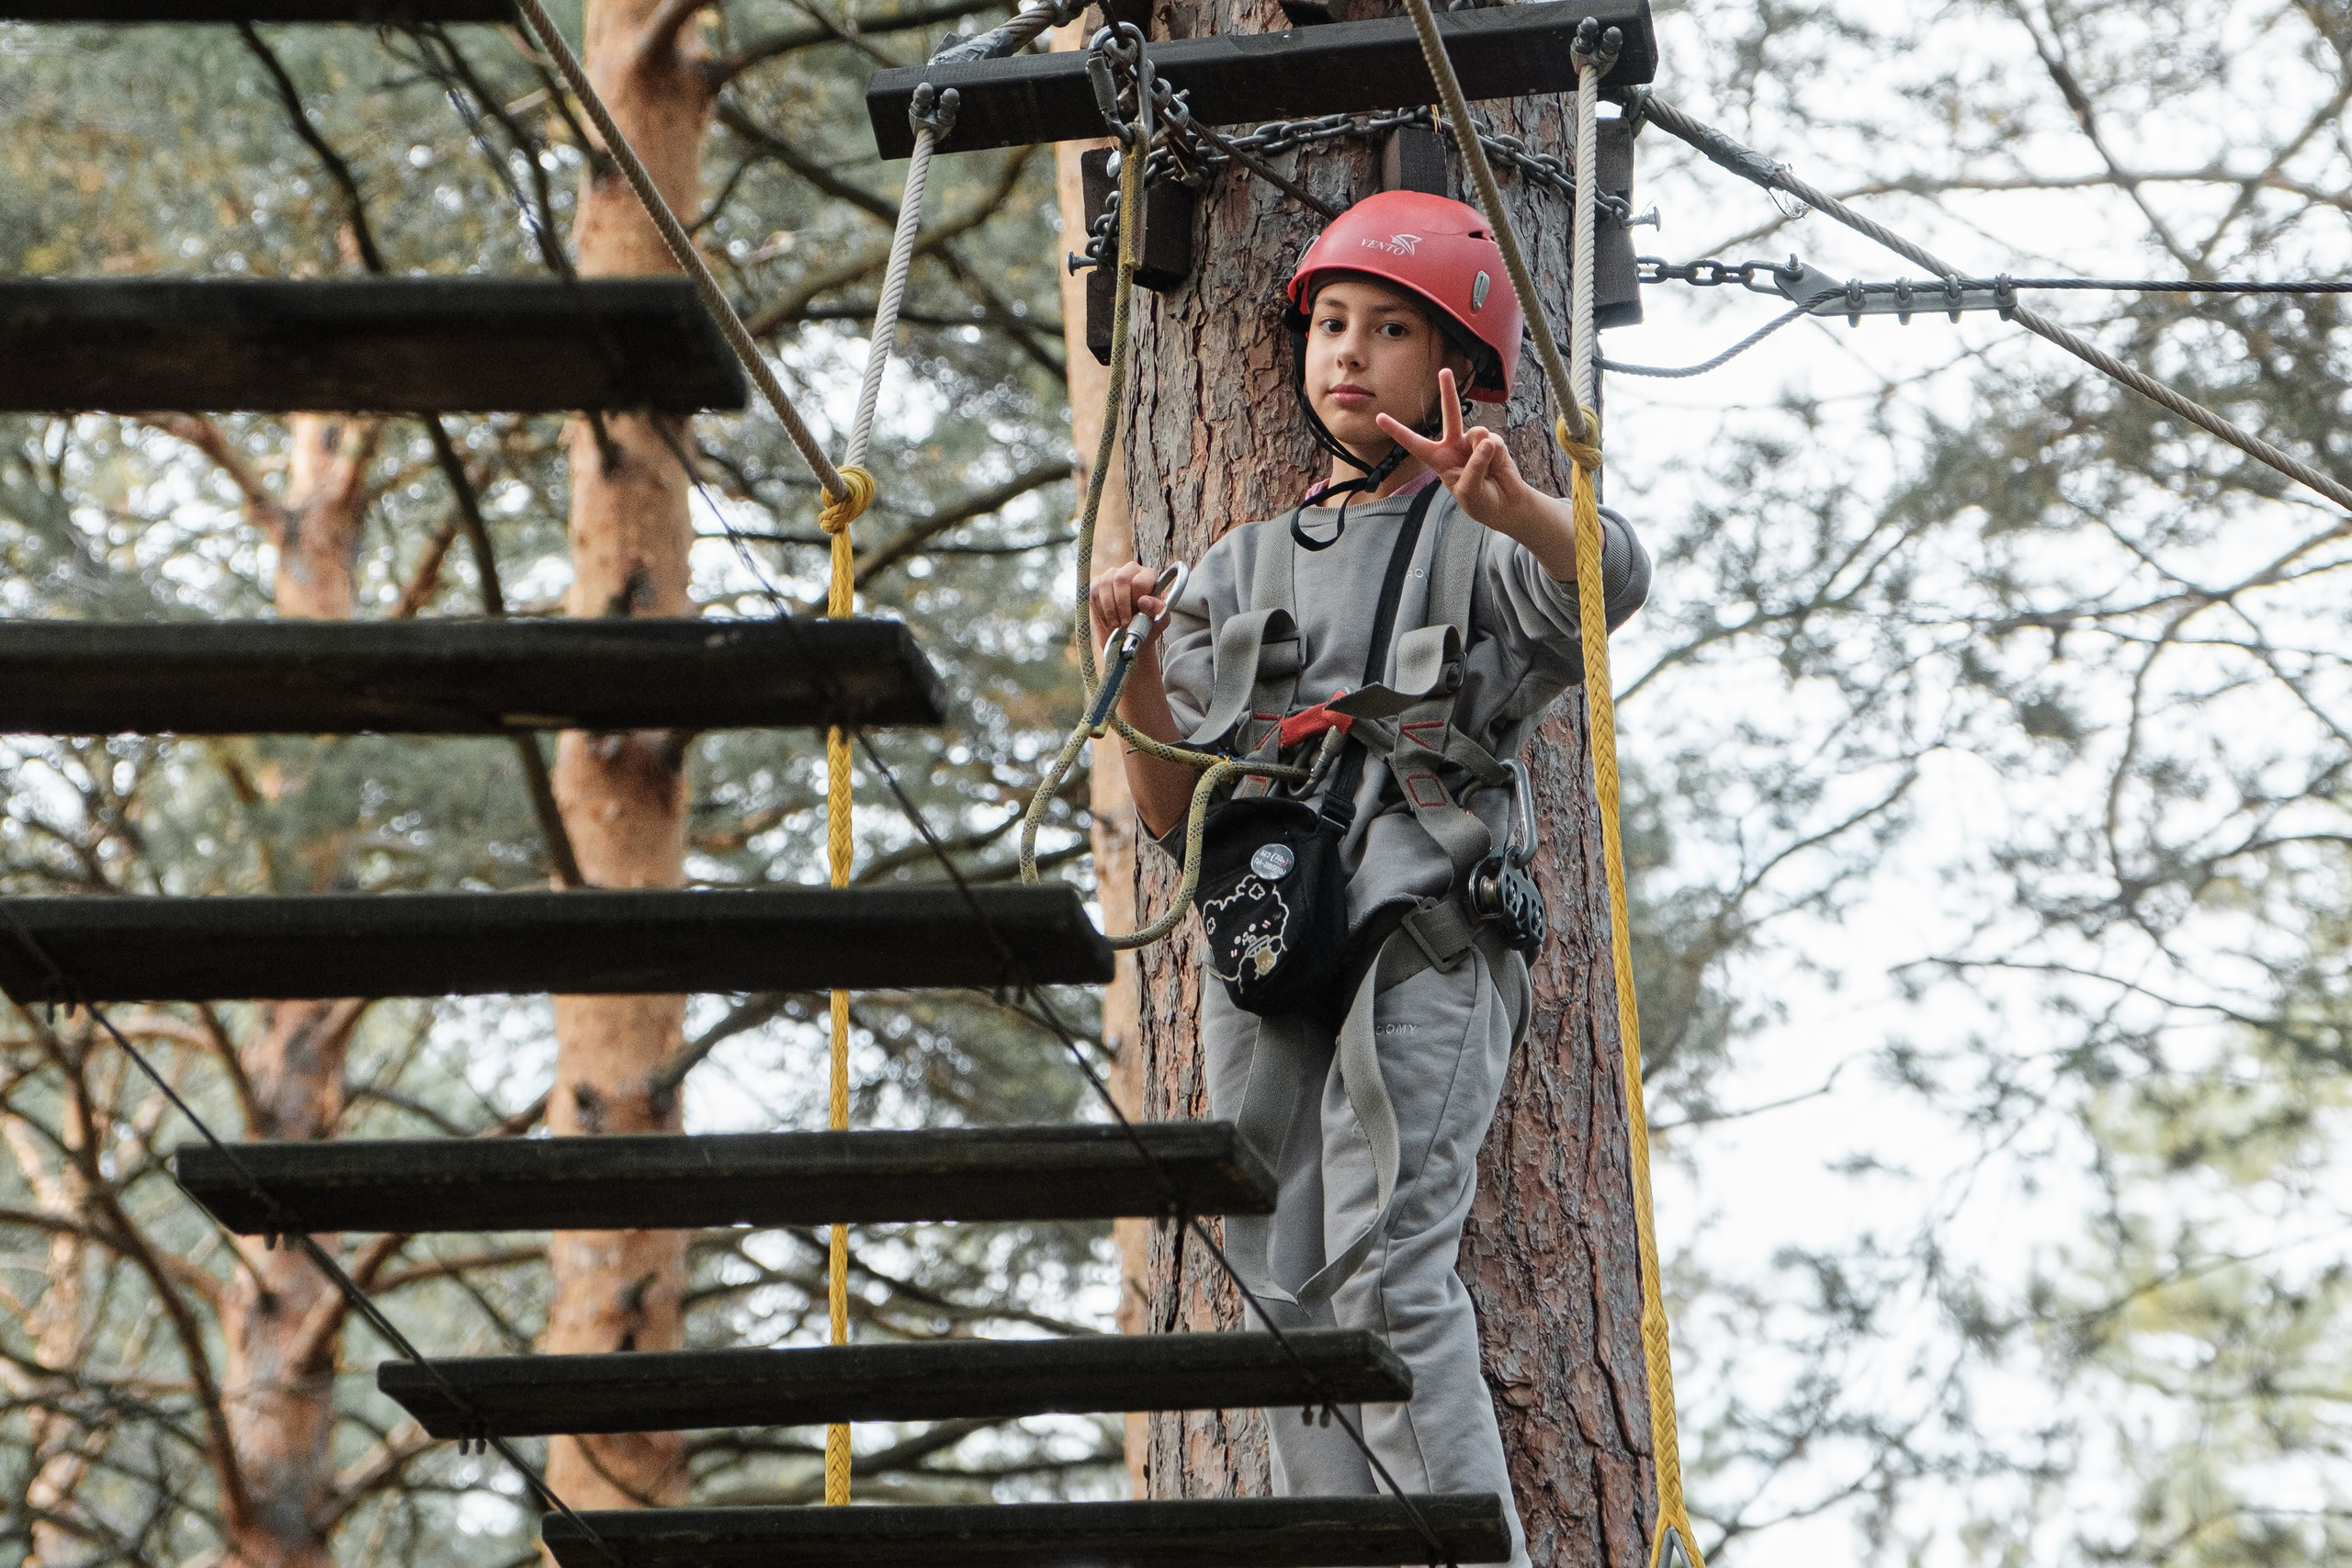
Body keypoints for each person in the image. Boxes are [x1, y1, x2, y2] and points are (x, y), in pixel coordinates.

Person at [1088, 189, 1650, 1565]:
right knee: (1280, 1291)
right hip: (1273, 938)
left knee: (1389, 1270)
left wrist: (1517, 507)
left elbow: (1609, 585)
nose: (1348, 350)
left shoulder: (1480, 534)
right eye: (1330, 323)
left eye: (1391, 329)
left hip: (1423, 926)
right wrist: (1134, 662)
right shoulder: (1235, 569)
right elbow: (1169, 812)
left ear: (1457, 362)